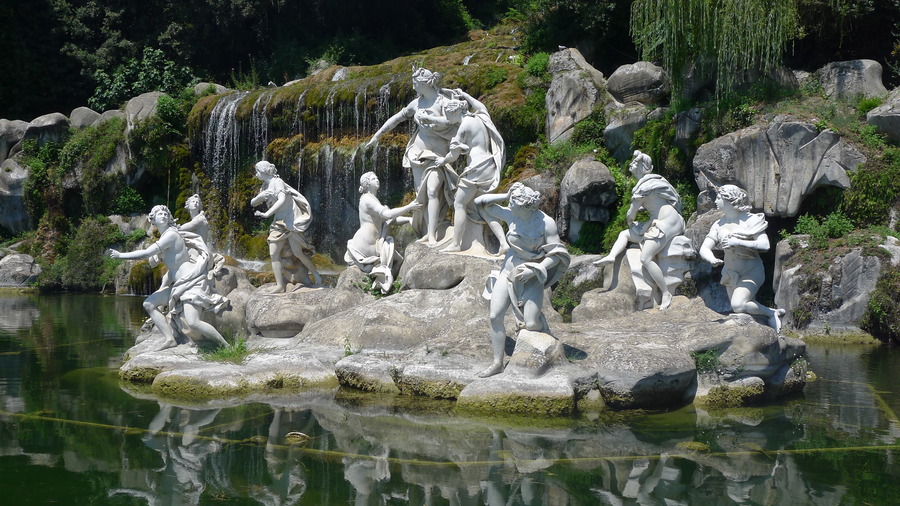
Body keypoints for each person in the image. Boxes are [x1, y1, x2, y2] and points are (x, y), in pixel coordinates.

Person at [475, 183, 570, 378]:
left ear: (527, 206)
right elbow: (479, 203)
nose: (509, 204)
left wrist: (538, 269)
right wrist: (507, 193)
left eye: (513, 202)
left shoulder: (546, 223)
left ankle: (540, 325)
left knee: (531, 324)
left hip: (533, 272)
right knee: (495, 316)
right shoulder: (512, 215)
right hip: (509, 270)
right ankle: (497, 363)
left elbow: (558, 253)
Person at [109, 205, 230, 351]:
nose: (163, 215)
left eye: (166, 213)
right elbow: (164, 265)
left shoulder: (171, 235)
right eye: (159, 213)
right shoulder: (166, 237)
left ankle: (226, 346)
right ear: (152, 220)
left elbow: (147, 253)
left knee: (193, 322)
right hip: (179, 283)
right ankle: (170, 339)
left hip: (191, 281)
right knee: (149, 304)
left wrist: (120, 255)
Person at [366, 66, 458, 244]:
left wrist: (431, 120)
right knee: (421, 195)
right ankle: (426, 231)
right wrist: (377, 136)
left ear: (425, 83)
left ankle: (432, 234)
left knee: (432, 191)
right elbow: (397, 118)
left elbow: (454, 121)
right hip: (417, 153)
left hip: (438, 155)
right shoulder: (416, 103)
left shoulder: (443, 102)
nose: (413, 86)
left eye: (415, 83)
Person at [594, 150, 685, 310]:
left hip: (668, 220)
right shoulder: (653, 182)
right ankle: (612, 256)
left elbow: (631, 212)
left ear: (642, 167)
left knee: (645, 258)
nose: (631, 164)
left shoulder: (645, 185)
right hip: (655, 219)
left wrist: (631, 220)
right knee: (625, 234)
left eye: (634, 163)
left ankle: (665, 292)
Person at [699, 184, 786, 331]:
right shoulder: (718, 224)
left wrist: (738, 242)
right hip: (730, 273)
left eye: (719, 197)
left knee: (738, 305)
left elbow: (765, 245)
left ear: (730, 200)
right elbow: (704, 248)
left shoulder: (750, 220)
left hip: (751, 271)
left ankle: (771, 313)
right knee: (742, 306)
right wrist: (711, 258)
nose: (715, 201)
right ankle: (764, 321)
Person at [431, 91, 508, 254]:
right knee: (484, 207)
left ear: (454, 111)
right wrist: (465, 95)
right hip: (489, 165)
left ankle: (456, 244)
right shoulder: (480, 117)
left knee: (459, 204)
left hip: (476, 168)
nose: (447, 119)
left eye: (447, 114)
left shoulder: (463, 127)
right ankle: (503, 243)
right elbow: (481, 106)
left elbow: (454, 156)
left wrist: (442, 160)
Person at [250, 160, 322, 292]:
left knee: (298, 253)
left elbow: (282, 200)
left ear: (263, 171)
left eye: (257, 171)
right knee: (273, 254)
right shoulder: (265, 187)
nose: (256, 174)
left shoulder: (278, 182)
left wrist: (266, 214)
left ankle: (316, 274)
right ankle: (279, 285)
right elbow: (253, 203)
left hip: (291, 222)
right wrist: (261, 195)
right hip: (279, 222)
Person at [345, 172, 422, 293]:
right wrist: (409, 207)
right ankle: (385, 286)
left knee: (398, 259)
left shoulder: (373, 199)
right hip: (366, 243)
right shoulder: (367, 199)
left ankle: (389, 285)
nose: (377, 180)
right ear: (367, 183)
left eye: (377, 177)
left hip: (373, 242)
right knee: (395, 256)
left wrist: (408, 219)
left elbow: (390, 220)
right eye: (373, 178)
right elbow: (388, 214)